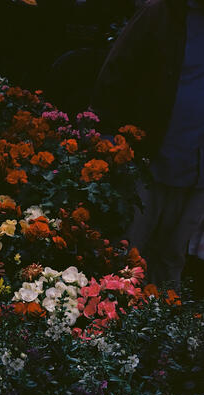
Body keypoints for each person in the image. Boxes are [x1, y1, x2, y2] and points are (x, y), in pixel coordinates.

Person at [92, 0, 204, 287]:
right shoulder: (158, 13)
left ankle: (161, 326)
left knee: (171, 261)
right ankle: (112, 325)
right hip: (148, 163)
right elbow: (114, 76)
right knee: (127, 259)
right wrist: (109, 141)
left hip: (195, 174)